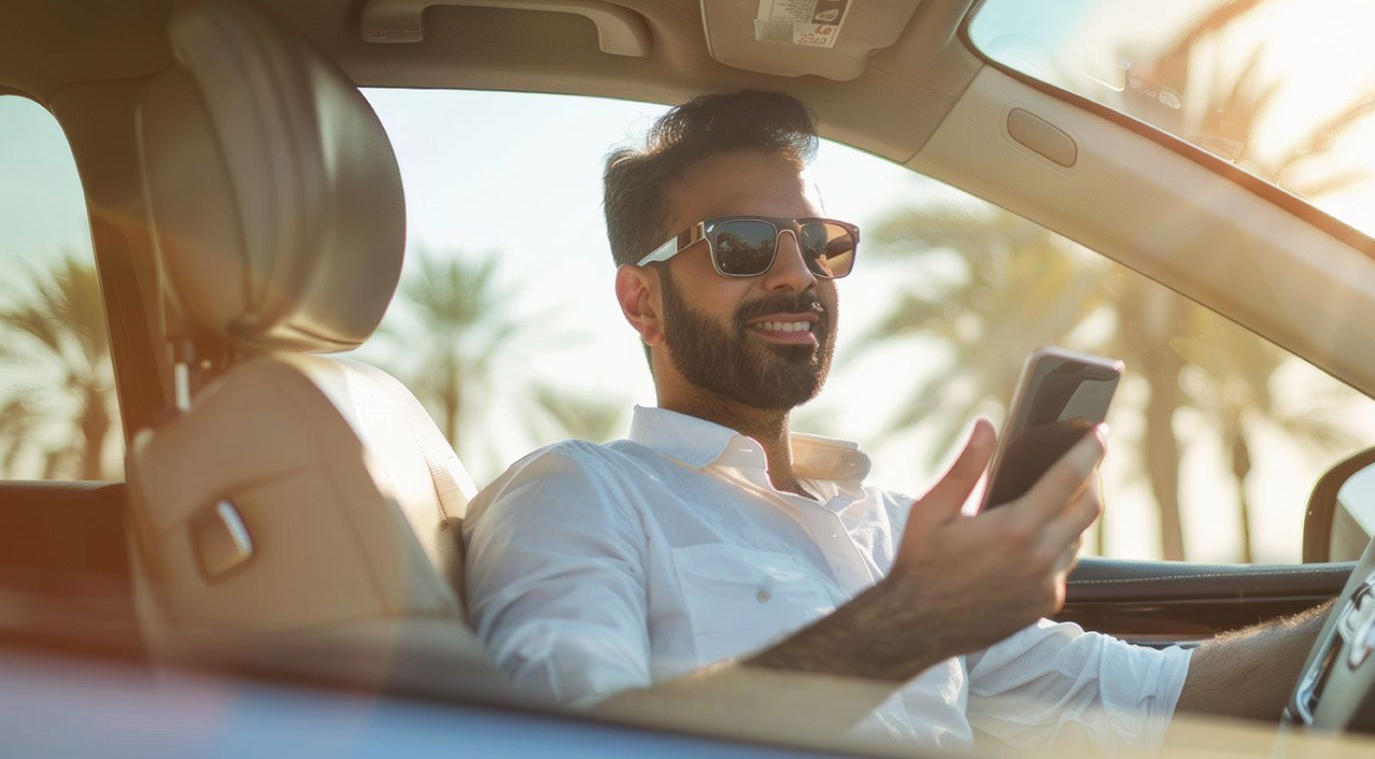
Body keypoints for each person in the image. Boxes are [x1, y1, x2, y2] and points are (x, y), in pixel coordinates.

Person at [462, 90, 1326, 750]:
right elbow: (571, 741)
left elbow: (1152, 702)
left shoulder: (902, 531)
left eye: (820, 242)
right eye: (741, 244)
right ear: (640, 300)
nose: (796, 274)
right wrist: (911, 621)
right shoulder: (577, 491)